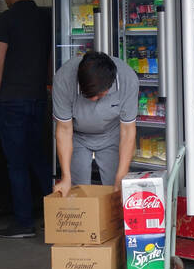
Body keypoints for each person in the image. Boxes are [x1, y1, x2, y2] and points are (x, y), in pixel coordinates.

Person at [0, 0, 53, 238]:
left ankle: (24, 222)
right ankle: (57, 218)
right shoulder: (45, 16)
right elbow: (51, 55)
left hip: (11, 100)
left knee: (16, 163)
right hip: (39, 97)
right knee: (40, 159)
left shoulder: (5, 19)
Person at [51, 50, 140, 194]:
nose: (92, 100)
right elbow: (64, 130)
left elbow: (128, 130)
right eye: (88, 95)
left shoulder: (127, 79)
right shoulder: (63, 80)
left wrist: (121, 175)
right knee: (76, 190)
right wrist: (65, 177)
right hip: (77, 135)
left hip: (113, 133)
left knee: (116, 188)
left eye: (98, 96)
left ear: (110, 84)